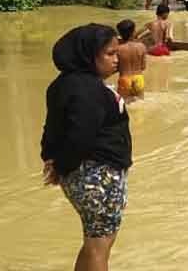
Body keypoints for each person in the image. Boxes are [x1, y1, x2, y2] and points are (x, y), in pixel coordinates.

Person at [40, 24, 132, 271]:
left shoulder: (63, 84)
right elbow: (82, 136)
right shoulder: (88, 89)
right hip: (98, 176)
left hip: (84, 176)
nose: (116, 59)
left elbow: (51, 130)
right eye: (110, 54)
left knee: (94, 242)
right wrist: (61, 165)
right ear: (89, 54)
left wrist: (52, 160)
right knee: (99, 245)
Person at [115, 20, 147, 102]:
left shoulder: (118, 49)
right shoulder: (142, 46)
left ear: (120, 34)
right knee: (140, 106)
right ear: (133, 32)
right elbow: (143, 67)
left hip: (125, 79)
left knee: (123, 106)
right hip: (139, 78)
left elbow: (115, 67)